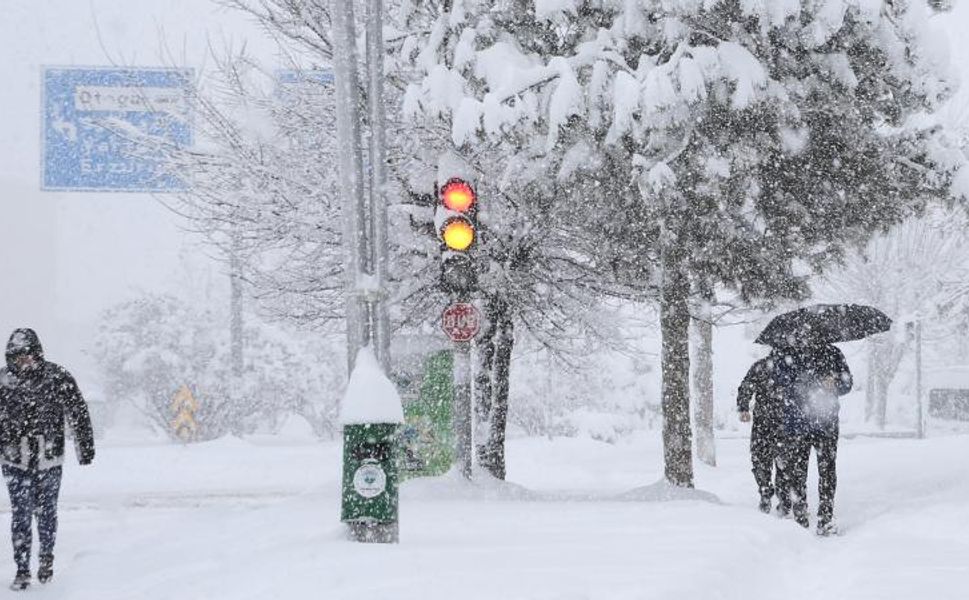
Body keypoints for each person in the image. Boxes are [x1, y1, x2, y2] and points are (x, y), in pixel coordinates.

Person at [0, 329, 95, 590]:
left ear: (37, 354)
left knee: (46, 512)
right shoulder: (2, 382)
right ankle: (22, 570)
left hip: (48, 459)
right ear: (11, 358)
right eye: (18, 358)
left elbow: (78, 411)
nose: (25, 362)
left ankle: (46, 560)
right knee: (20, 514)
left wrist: (84, 446)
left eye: (29, 356)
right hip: (14, 460)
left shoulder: (56, 377)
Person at [780, 343, 852, 536]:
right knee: (797, 472)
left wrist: (834, 383)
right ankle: (800, 517)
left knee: (827, 470)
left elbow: (847, 384)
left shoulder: (834, 354)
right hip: (799, 424)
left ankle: (825, 518)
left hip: (826, 423)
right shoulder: (790, 354)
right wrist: (804, 385)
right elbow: (781, 383)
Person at [737, 348, 790, 515]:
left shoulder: (761, 366)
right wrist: (744, 406)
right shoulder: (791, 367)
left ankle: (767, 492)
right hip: (782, 423)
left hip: (765, 422)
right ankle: (780, 498)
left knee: (762, 460)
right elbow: (746, 386)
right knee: (783, 463)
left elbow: (746, 386)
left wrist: (744, 407)